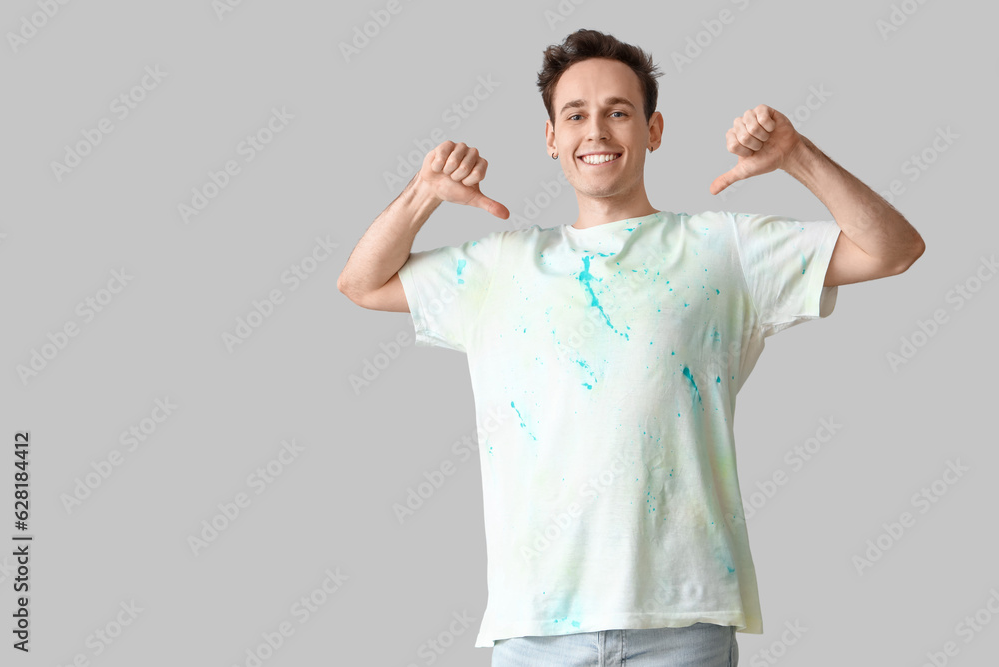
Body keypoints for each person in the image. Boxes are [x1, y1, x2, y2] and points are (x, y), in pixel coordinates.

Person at [338, 28, 924, 667]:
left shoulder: (724, 249)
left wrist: (797, 156)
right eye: (576, 115)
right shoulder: (499, 266)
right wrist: (424, 193)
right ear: (551, 139)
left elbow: (892, 250)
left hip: (683, 622)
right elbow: (362, 284)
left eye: (619, 112)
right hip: (537, 628)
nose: (597, 131)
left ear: (654, 130)